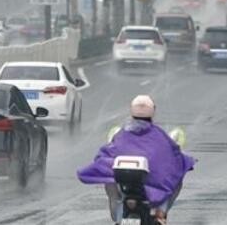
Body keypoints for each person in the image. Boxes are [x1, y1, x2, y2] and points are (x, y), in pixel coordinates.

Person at [77, 95, 195, 225]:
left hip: (130, 192)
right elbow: (174, 157)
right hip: (148, 191)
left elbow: (106, 153)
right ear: (153, 111)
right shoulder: (159, 136)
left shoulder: (122, 134)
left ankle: (119, 215)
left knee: (109, 181)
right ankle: (160, 213)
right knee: (177, 179)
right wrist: (185, 162)